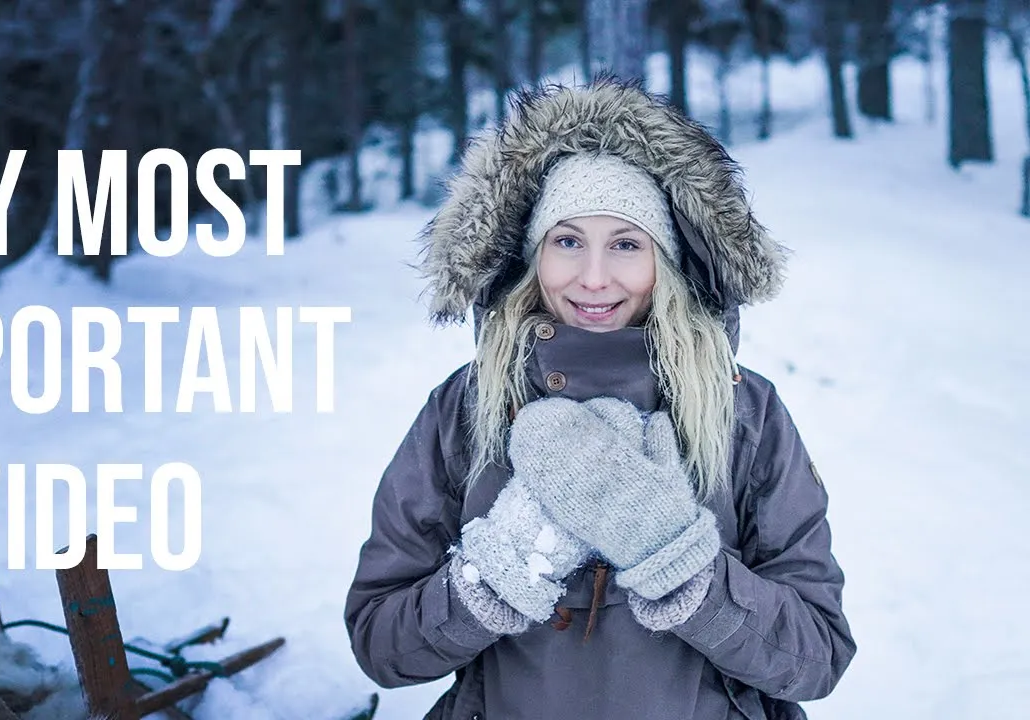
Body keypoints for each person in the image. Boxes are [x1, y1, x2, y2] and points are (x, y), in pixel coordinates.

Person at [343, 78, 855, 720]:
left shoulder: (743, 412)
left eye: (625, 245)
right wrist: (498, 570)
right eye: (567, 241)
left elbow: (817, 656)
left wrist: (681, 564)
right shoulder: (467, 409)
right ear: (533, 256)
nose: (593, 278)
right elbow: (380, 643)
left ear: (665, 261)